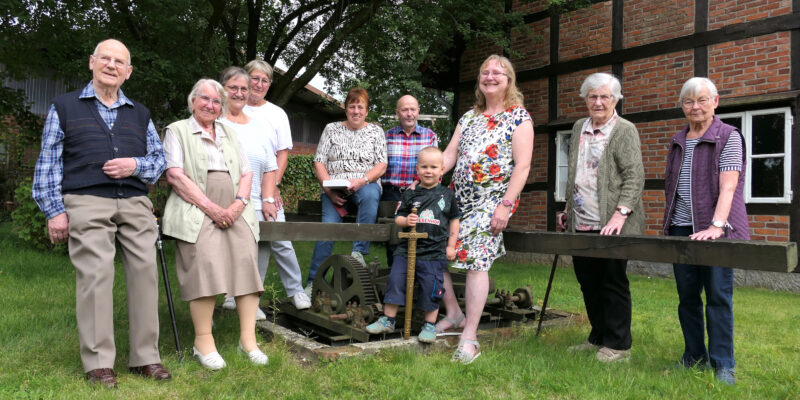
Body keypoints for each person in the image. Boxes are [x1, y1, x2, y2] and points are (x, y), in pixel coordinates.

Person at [31, 39, 171, 388]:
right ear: (91, 63)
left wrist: (133, 164)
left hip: (136, 202)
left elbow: (158, 162)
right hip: (86, 199)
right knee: (96, 274)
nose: (111, 65)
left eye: (119, 61)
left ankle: (145, 357)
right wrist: (54, 211)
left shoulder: (140, 113)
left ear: (128, 71)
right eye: (105, 58)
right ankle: (98, 362)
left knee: (145, 274)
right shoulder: (64, 107)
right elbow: (48, 162)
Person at [162, 78, 267, 370]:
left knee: (247, 262)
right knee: (205, 264)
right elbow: (175, 175)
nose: (211, 105)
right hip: (195, 206)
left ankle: (248, 341)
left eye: (216, 101)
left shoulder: (229, 133)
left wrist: (237, 205)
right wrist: (211, 208)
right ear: (193, 101)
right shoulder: (177, 130)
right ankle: (203, 341)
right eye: (205, 99)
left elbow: (246, 173)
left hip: (234, 207)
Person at [439, 55, 534, 363]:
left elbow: (522, 166)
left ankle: (470, 339)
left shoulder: (519, 117)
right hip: (458, 200)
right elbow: (449, 156)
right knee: (431, 245)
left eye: (498, 72)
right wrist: (424, 180)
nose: (490, 76)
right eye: (485, 72)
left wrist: (505, 205)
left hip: (492, 202)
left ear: (509, 81)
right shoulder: (468, 117)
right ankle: (454, 314)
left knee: (477, 261)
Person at [663, 77, 746, 385]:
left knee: (718, 298)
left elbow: (729, 185)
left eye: (701, 100)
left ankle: (724, 363)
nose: (695, 106)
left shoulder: (728, 136)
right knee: (687, 298)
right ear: (682, 106)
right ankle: (694, 356)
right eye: (688, 101)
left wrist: (716, 226)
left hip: (716, 231)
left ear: (716, 101)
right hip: (681, 228)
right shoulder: (678, 139)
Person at [556, 72, 644, 363]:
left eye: (604, 96)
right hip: (581, 220)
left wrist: (620, 215)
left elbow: (634, 176)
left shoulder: (624, 130)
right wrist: (568, 210)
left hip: (612, 222)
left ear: (616, 99)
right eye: (592, 96)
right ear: (585, 99)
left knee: (612, 281)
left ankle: (619, 345)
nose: (598, 102)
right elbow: (577, 172)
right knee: (588, 282)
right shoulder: (579, 126)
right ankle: (598, 337)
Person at [235, 58, 311, 311]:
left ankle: (296, 290)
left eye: (264, 80)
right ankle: (248, 298)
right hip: (236, 186)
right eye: (254, 78)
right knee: (251, 243)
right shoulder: (233, 108)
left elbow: (282, 154)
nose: (258, 84)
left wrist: (274, 185)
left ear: (269, 84)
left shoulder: (276, 114)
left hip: (268, 186)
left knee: (279, 238)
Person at [365, 147, 460, 343]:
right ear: (417, 170)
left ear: (442, 170)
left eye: (433, 167)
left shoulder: (447, 196)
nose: (428, 171)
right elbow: (398, 218)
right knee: (396, 280)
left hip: (434, 252)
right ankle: (388, 319)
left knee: (431, 286)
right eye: (424, 166)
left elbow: (454, 221)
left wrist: (451, 246)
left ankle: (429, 325)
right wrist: (406, 220)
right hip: (406, 250)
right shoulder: (410, 194)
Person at [306, 87, 387, 290]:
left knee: (370, 195)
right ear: (345, 108)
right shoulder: (331, 129)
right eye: (352, 106)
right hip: (334, 188)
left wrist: (362, 180)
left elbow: (381, 165)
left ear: (367, 111)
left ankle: (359, 252)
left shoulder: (376, 131)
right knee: (327, 231)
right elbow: (319, 162)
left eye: (361, 107)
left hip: (364, 184)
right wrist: (328, 191)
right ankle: (313, 284)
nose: (356, 111)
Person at [381, 95, 439, 267]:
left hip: (421, 192)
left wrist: (419, 182)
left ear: (418, 112)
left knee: (421, 234)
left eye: (413, 109)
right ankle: (394, 276)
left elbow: (436, 167)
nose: (409, 114)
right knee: (393, 237)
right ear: (397, 113)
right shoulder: (387, 137)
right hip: (391, 193)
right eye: (405, 110)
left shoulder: (429, 136)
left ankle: (418, 278)